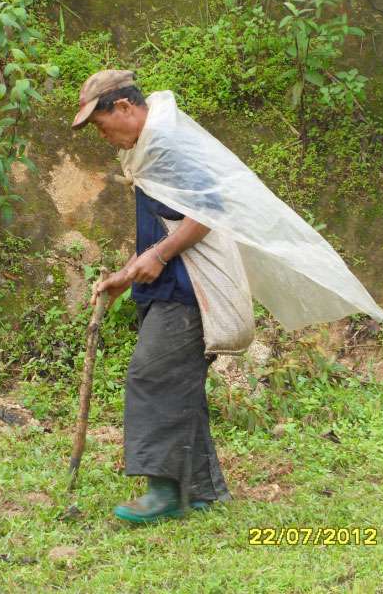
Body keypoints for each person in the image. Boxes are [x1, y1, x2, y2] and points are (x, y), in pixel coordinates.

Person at [72, 69, 231, 523]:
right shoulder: (148, 149)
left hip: (188, 288)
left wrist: (159, 257)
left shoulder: (168, 145)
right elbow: (163, 227)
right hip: (168, 283)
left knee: (152, 376)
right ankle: (200, 490)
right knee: (179, 381)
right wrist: (127, 275)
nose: (104, 137)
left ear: (124, 107)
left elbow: (208, 210)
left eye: (103, 126)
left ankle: (163, 493)